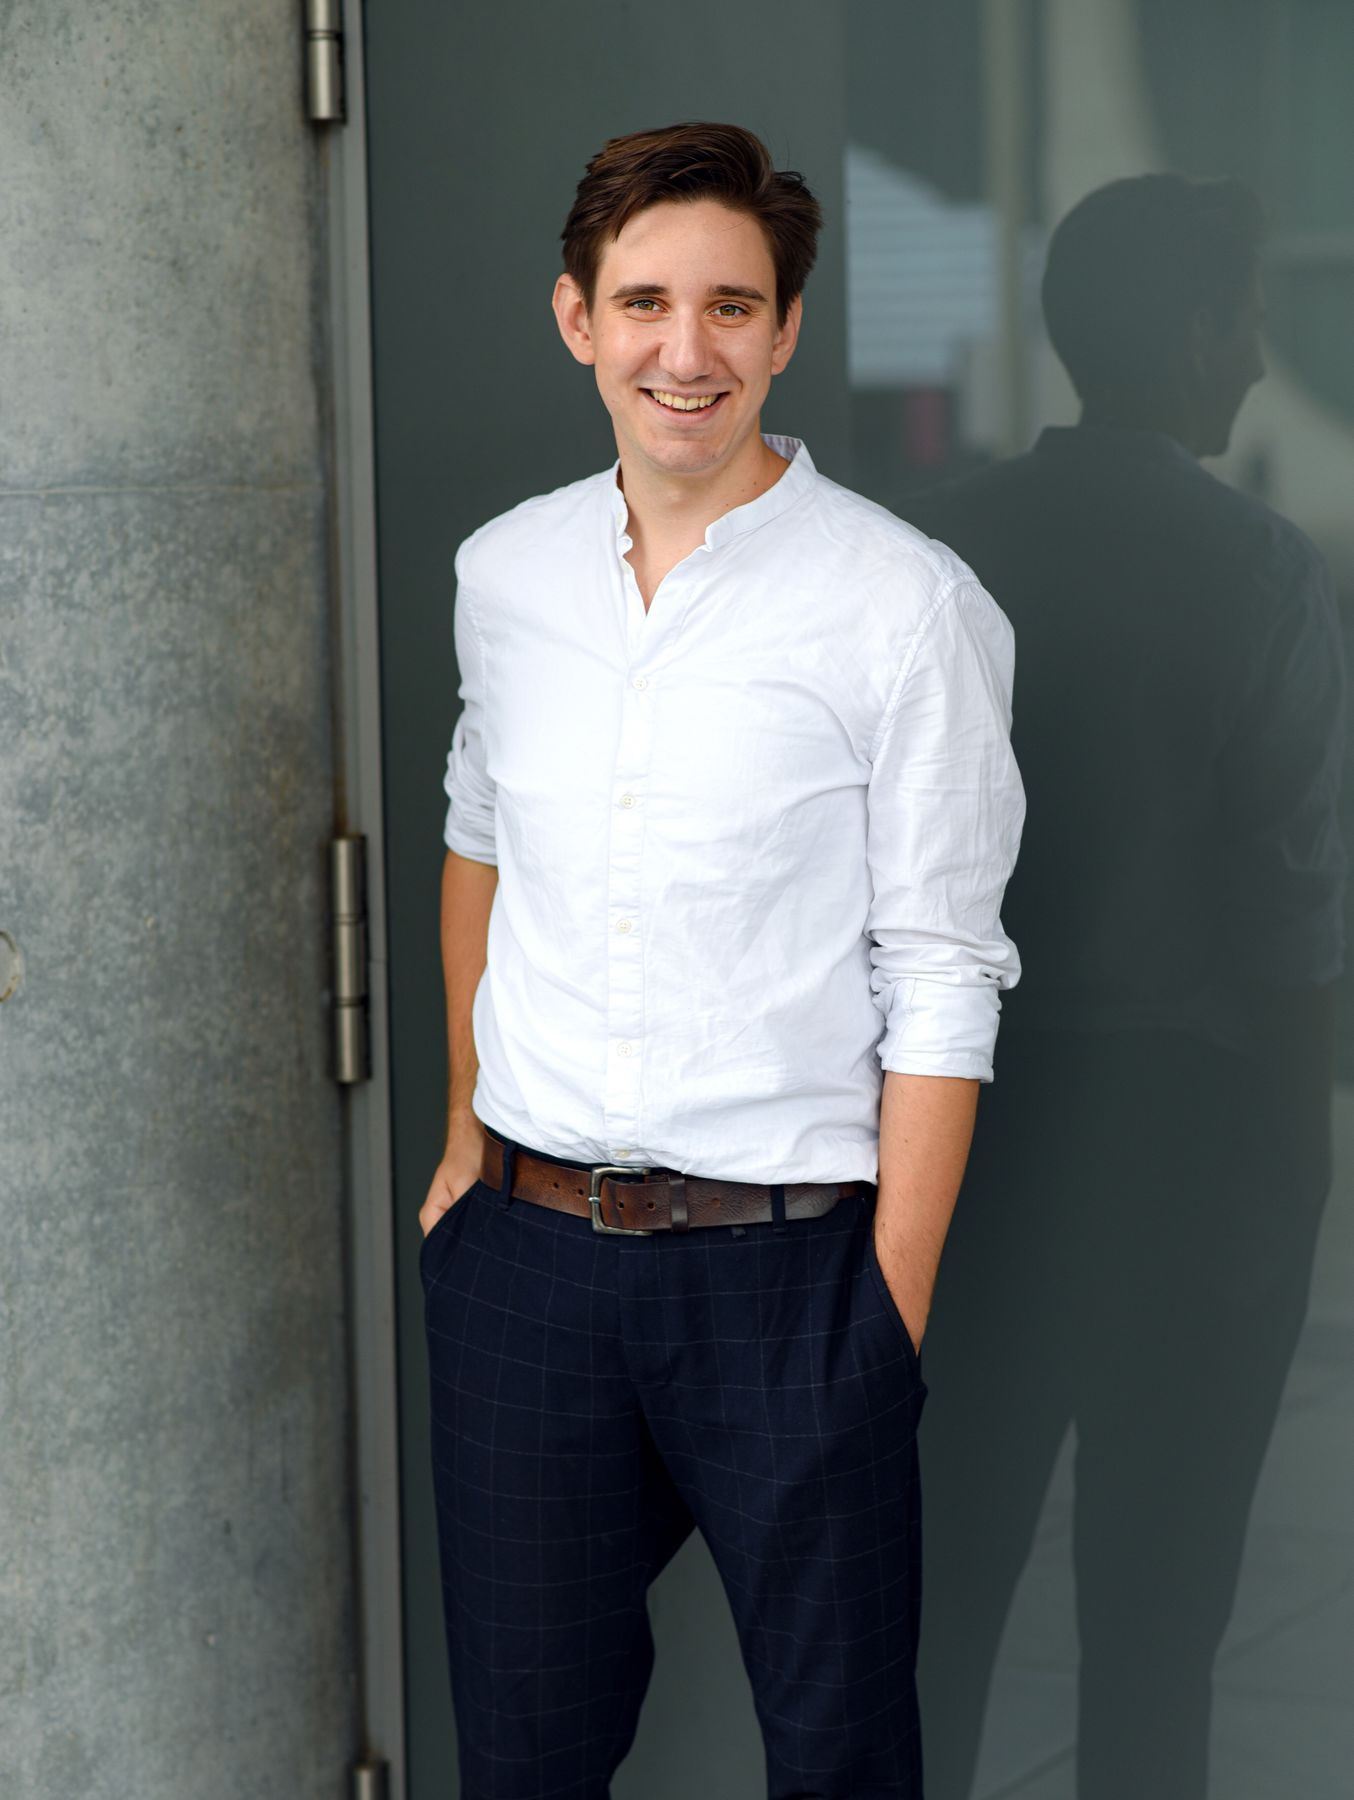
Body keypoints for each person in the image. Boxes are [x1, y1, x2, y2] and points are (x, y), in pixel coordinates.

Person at [421, 120, 1024, 1800]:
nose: (683, 353)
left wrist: (883, 1313)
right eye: (643, 304)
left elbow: (943, 967)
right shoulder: (505, 573)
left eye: (730, 308)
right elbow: (479, 839)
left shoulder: (903, 604)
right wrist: (465, 1136)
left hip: (788, 1279)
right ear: (576, 319)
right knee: (524, 1757)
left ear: (785, 330)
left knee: (838, 1762)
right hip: (525, 1268)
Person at [905, 175, 1346, 1800]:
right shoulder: (1255, 572)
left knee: (930, 1613)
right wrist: (1292, 1176)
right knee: (1156, 1637)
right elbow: (1295, 920)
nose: (1254, 359)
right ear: (1189, 334)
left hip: (971, 1133)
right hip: (1189, 1144)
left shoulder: (938, 553)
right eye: (1242, 321)